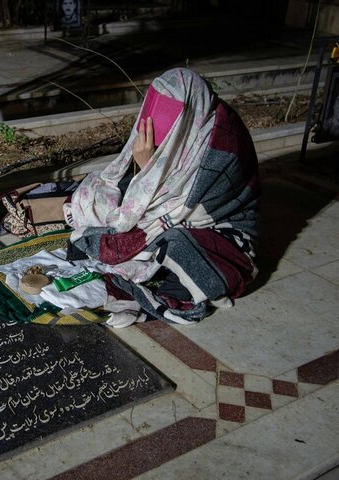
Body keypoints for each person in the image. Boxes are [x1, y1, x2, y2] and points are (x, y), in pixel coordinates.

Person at [63, 67, 260, 327]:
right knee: (98, 196)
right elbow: (138, 184)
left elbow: (188, 206)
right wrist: (146, 166)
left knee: (177, 248)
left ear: (186, 118)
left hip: (222, 228)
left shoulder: (223, 143)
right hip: (176, 210)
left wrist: (149, 167)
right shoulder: (190, 126)